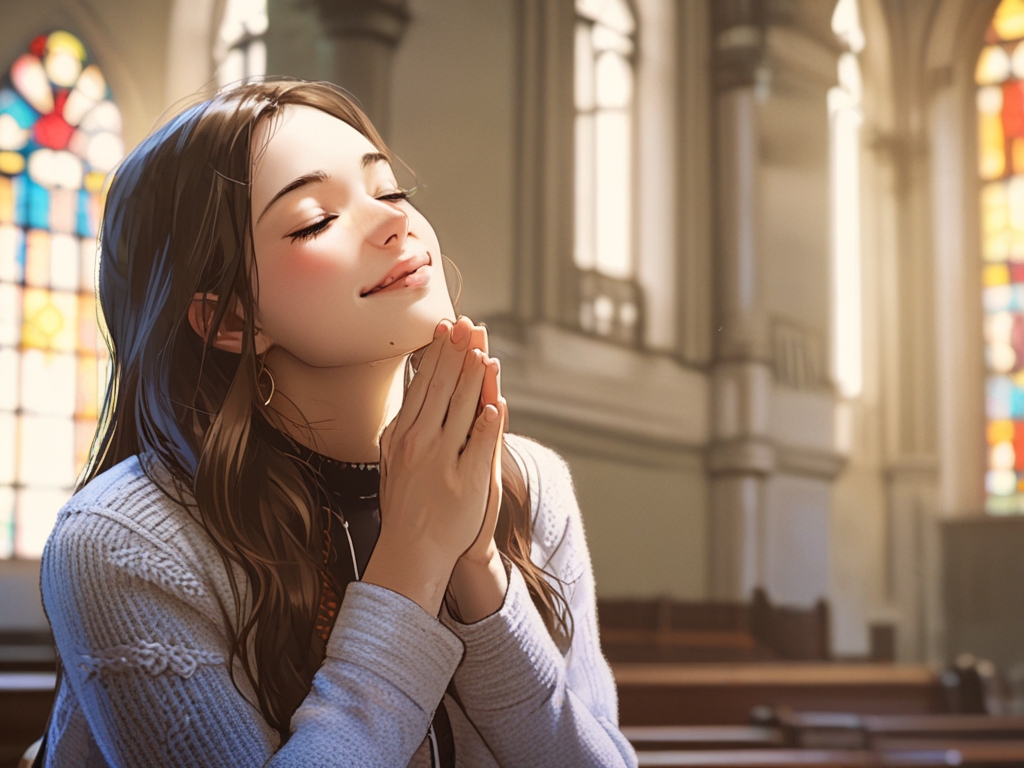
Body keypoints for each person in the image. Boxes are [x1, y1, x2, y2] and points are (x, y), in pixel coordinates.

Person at [38, 78, 637, 767]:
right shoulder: (124, 544)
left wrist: (478, 571)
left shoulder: (530, 481)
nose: (395, 224)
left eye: (388, 192)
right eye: (315, 219)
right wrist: (414, 559)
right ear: (232, 319)